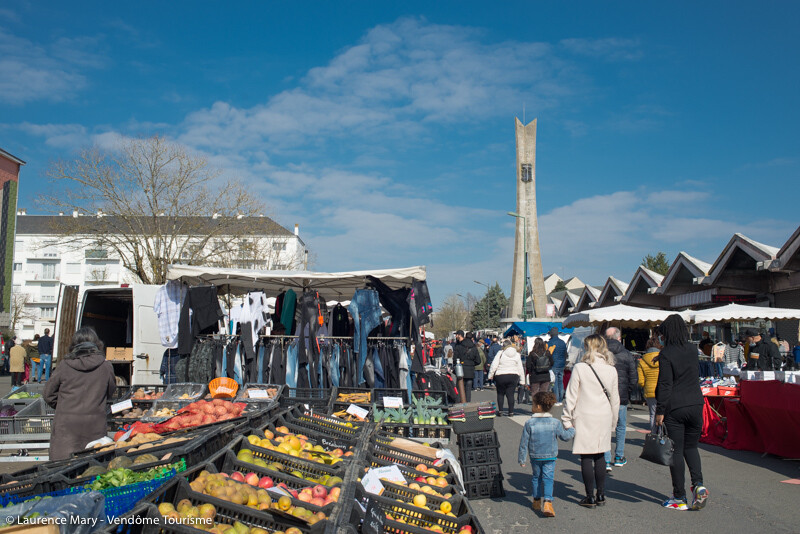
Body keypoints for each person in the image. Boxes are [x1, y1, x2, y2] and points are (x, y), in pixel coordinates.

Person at [654, 314, 708, 511]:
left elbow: (666, 384)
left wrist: (660, 410)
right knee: (691, 447)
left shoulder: (667, 353)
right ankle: (699, 484)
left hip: (675, 406)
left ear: (666, 333)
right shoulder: (692, 350)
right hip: (695, 403)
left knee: (676, 451)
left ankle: (679, 496)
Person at [561, 334, 619, 508]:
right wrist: (614, 422)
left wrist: (566, 417)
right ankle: (601, 494)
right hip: (604, 415)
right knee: (601, 454)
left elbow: (571, 395)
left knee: (586, 455)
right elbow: (615, 399)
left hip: (585, 414)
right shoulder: (611, 369)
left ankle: (589, 496)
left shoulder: (580, 367)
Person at [44, 327, 116, 461]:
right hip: (95, 425)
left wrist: (64, 406)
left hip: (66, 427)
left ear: (74, 345)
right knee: (92, 470)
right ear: (97, 343)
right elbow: (110, 392)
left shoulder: (64, 365)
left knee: (63, 468)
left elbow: (48, 394)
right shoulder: (106, 366)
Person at [518, 391, 576, 518]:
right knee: (548, 478)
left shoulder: (529, 423)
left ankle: (536, 500)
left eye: (533, 404)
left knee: (536, 477)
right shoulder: (555, 423)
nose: (532, 406)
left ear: (538, 407)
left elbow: (524, 442)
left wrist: (522, 459)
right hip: (550, 455)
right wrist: (572, 429)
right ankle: (548, 502)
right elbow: (565, 437)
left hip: (535, 455)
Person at [603, 327, 637, 470]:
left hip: (604, 396)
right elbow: (633, 378)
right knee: (621, 426)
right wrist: (627, 392)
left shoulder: (601, 354)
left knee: (605, 427)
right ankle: (619, 456)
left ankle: (605, 459)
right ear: (619, 338)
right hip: (621, 395)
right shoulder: (627, 354)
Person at [488, 338, 525, 416]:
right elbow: (520, 368)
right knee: (510, 394)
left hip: (500, 375)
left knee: (500, 393)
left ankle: (500, 411)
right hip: (513, 375)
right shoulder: (517, 354)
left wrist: (490, 375)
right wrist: (522, 381)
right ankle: (511, 411)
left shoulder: (500, 353)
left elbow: (494, 365)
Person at [638, 337, 661, 430]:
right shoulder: (663, 357)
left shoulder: (642, 361)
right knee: (663, 414)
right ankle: (662, 436)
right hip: (663, 389)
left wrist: (645, 386)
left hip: (650, 391)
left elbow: (640, 381)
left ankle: (653, 435)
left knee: (652, 414)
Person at [453, 331, 481, 402]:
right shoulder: (474, 347)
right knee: (468, 389)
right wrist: (471, 364)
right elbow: (478, 360)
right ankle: (467, 404)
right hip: (470, 370)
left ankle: (459, 404)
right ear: (472, 338)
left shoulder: (459, 346)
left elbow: (455, 358)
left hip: (460, 369)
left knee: (460, 388)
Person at [547, 328, 568, 406]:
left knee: (554, 382)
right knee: (560, 381)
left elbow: (548, 354)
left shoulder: (550, 342)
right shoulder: (562, 342)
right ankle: (560, 399)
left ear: (551, 334)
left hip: (554, 364)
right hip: (562, 364)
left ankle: (556, 399)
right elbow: (565, 354)